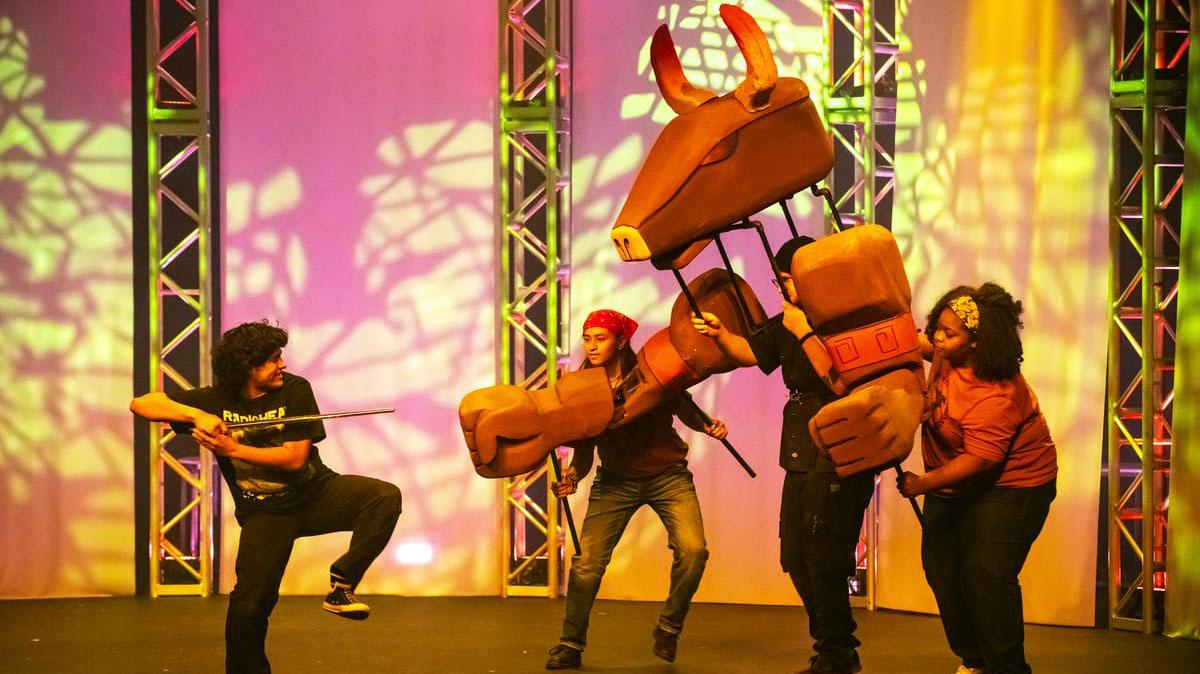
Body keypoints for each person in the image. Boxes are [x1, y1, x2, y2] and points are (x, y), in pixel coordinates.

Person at [129, 321, 402, 674]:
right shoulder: (216, 400)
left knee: (382, 496)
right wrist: (197, 414)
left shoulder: (294, 390)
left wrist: (231, 447)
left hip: (316, 493)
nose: (282, 365)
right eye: (273, 359)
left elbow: (294, 458)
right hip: (266, 513)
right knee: (247, 608)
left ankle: (342, 584)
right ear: (247, 366)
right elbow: (142, 404)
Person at [692, 237, 874, 674]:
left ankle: (836, 650)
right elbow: (752, 352)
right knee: (795, 553)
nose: (782, 287)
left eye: (788, 278)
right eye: (780, 279)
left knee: (825, 551)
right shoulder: (788, 321)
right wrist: (721, 334)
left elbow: (841, 381)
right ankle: (831, 643)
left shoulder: (842, 320)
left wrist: (804, 331)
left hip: (839, 439)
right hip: (800, 445)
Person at [544, 309, 728, 670]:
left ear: (621, 341)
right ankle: (570, 644)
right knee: (586, 566)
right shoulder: (582, 385)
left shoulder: (649, 371)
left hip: (667, 475)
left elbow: (683, 404)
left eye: (601, 338)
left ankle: (669, 627)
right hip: (615, 481)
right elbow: (584, 448)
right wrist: (572, 478)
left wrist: (708, 426)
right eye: (587, 337)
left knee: (693, 552)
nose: (592, 345)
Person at [897, 283, 1057, 674]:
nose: (937, 337)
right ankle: (975, 661)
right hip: (952, 482)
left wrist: (922, 484)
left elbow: (981, 460)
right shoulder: (946, 355)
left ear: (976, 343)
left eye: (949, 333)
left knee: (987, 575)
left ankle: (1007, 668)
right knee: (942, 570)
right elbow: (910, 344)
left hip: (1013, 486)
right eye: (937, 326)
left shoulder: (997, 391)